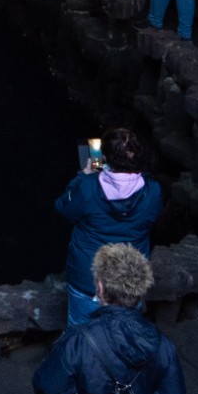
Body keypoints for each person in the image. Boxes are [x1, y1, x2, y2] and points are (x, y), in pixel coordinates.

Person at [31, 244, 186, 394]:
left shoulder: (78, 341)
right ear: (140, 294)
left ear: (100, 288)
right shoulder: (162, 345)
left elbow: (49, 390)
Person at [54, 129, 166, 327]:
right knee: (125, 333)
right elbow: (151, 219)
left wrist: (83, 177)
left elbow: (63, 208)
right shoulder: (153, 190)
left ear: (105, 158)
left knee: (81, 334)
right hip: (129, 280)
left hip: (88, 278)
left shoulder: (87, 187)